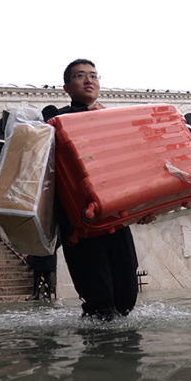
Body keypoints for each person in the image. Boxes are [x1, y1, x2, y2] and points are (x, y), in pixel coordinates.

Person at [41, 58, 141, 321]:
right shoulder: (54, 119)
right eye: (80, 76)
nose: (89, 80)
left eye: (94, 76)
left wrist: (143, 208)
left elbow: (131, 169)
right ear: (66, 87)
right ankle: (98, 355)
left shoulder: (111, 119)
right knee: (100, 300)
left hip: (115, 216)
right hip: (78, 221)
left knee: (128, 296)